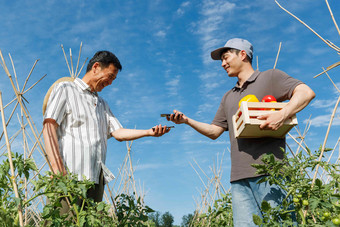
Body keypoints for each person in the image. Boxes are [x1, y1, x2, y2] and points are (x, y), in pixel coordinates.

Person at [167, 38, 315, 226]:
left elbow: (306, 92)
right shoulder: (228, 97)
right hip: (239, 179)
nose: (222, 64)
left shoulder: (270, 77)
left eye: (226, 58)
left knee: (281, 223)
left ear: (243, 54)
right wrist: (187, 121)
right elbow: (214, 131)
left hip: (271, 174)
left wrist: (282, 113)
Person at [43, 50, 170, 209]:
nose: (110, 83)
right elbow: (49, 126)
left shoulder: (102, 104)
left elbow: (118, 132)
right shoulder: (66, 89)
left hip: (95, 180)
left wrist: (149, 132)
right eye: (110, 76)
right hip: (69, 177)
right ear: (96, 67)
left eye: (114, 79)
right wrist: (58, 170)